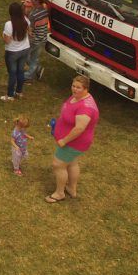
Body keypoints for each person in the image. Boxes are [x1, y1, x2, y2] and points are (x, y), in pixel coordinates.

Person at [46, 75, 100, 203]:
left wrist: (64, 141)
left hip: (73, 142)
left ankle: (59, 193)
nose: (74, 89)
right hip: (73, 141)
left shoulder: (86, 108)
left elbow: (79, 128)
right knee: (72, 162)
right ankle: (71, 188)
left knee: (58, 164)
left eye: (78, 87)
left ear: (86, 89)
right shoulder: (78, 97)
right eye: (73, 86)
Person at [0, 2, 30, 101]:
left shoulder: (9, 24)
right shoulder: (26, 20)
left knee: (12, 73)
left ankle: (9, 95)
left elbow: (7, 41)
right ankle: (19, 92)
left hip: (12, 52)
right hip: (25, 49)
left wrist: (3, 36)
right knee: (20, 71)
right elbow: (29, 31)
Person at [24, 0, 49, 82]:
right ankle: (33, 72)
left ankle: (31, 72)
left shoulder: (33, 15)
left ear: (37, 1)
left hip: (34, 40)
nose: (30, 0)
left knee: (25, 55)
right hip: (43, 38)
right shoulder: (46, 10)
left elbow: (30, 30)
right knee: (35, 57)